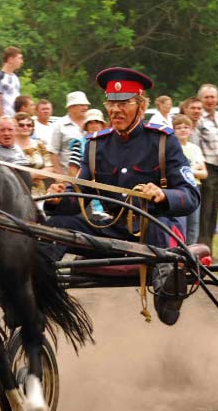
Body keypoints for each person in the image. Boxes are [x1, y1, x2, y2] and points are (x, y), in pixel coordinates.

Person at [44, 67, 199, 325]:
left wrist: (163, 195)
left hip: (160, 228)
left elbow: (191, 196)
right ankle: (33, 286)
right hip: (114, 229)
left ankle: (168, 291)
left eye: (123, 103)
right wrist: (58, 200)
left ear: (140, 104)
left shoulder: (162, 141)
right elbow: (78, 198)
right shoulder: (95, 145)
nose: (115, 110)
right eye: (111, 103)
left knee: (158, 234)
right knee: (55, 227)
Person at [195, 84, 218, 251]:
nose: (210, 100)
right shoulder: (199, 119)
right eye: (206, 97)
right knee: (205, 213)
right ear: (201, 99)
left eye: (213, 97)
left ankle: (209, 249)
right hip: (205, 168)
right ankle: (202, 250)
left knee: (214, 212)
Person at [172, 114, 208, 245]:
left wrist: (189, 170)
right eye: (179, 127)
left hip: (195, 187)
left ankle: (191, 251)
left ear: (191, 130)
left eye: (186, 127)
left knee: (194, 223)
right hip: (179, 188)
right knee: (181, 222)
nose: (183, 130)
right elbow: (175, 172)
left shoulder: (195, 148)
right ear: (173, 130)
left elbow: (204, 173)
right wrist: (193, 169)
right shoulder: (172, 148)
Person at [47, 91, 90, 174]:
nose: (85, 107)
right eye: (81, 105)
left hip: (90, 177)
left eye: (86, 105)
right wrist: (60, 176)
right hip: (67, 176)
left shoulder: (92, 122)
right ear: (71, 107)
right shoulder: (59, 125)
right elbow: (53, 152)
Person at [14, 112, 52, 193]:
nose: (25, 127)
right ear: (14, 127)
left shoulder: (40, 144)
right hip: (15, 190)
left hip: (38, 192)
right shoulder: (10, 146)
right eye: (21, 125)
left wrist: (31, 175)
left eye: (29, 125)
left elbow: (50, 168)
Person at [0, 46, 23, 117]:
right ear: (10, 59)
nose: (21, 61)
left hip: (17, 118)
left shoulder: (15, 78)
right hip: (6, 117)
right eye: (19, 58)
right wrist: (2, 117)